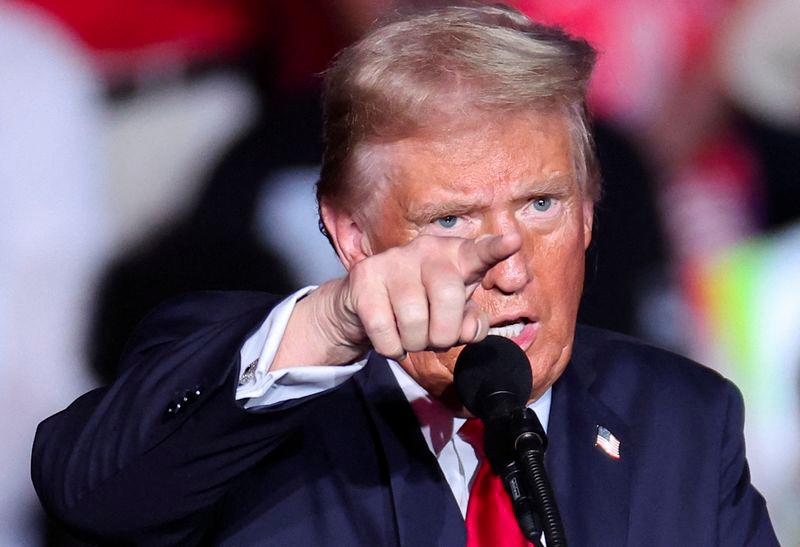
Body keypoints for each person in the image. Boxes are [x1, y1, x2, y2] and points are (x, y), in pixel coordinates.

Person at [32, 5, 778, 546]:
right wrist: (330, 322)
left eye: (542, 204)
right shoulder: (261, 416)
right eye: (450, 220)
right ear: (352, 234)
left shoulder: (683, 419)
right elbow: (86, 493)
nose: (508, 267)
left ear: (588, 212)